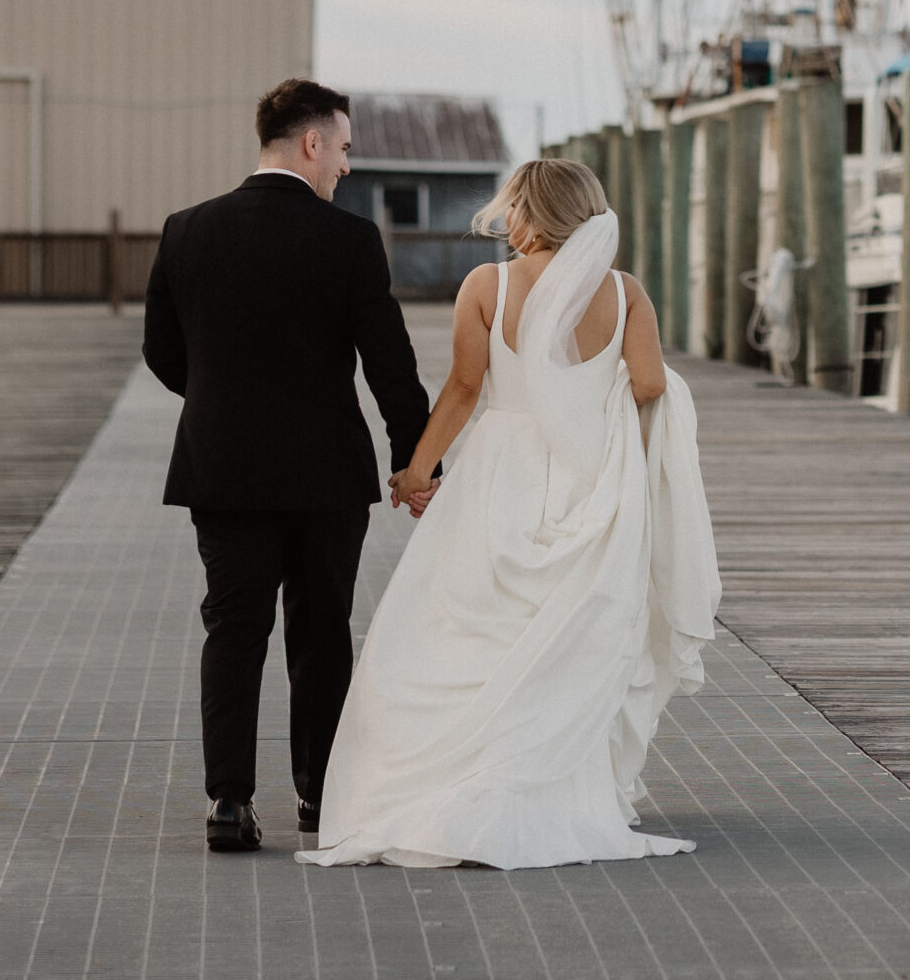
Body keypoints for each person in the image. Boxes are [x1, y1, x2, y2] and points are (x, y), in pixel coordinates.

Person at [298, 157, 719, 871]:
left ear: (529, 211)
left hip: (502, 474)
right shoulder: (624, 292)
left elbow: (464, 386)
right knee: (564, 636)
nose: (507, 219)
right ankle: (545, 789)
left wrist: (416, 468)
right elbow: (648, 383)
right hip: (589, 481)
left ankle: (451, 784)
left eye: (512, 207)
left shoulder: (487, 285)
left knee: (468, 626)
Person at [142, 78, 432, 853]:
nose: (344, 163)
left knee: (233, 630)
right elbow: (390, 365)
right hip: (324, 472)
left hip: (223, 467)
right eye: (341, 147)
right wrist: (417, 458)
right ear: (311, 143)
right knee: (321, 632)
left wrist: (224, 397)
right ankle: (320, 798)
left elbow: (164, 354)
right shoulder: (349, 240)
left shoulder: (186, 230)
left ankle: (230, 803)